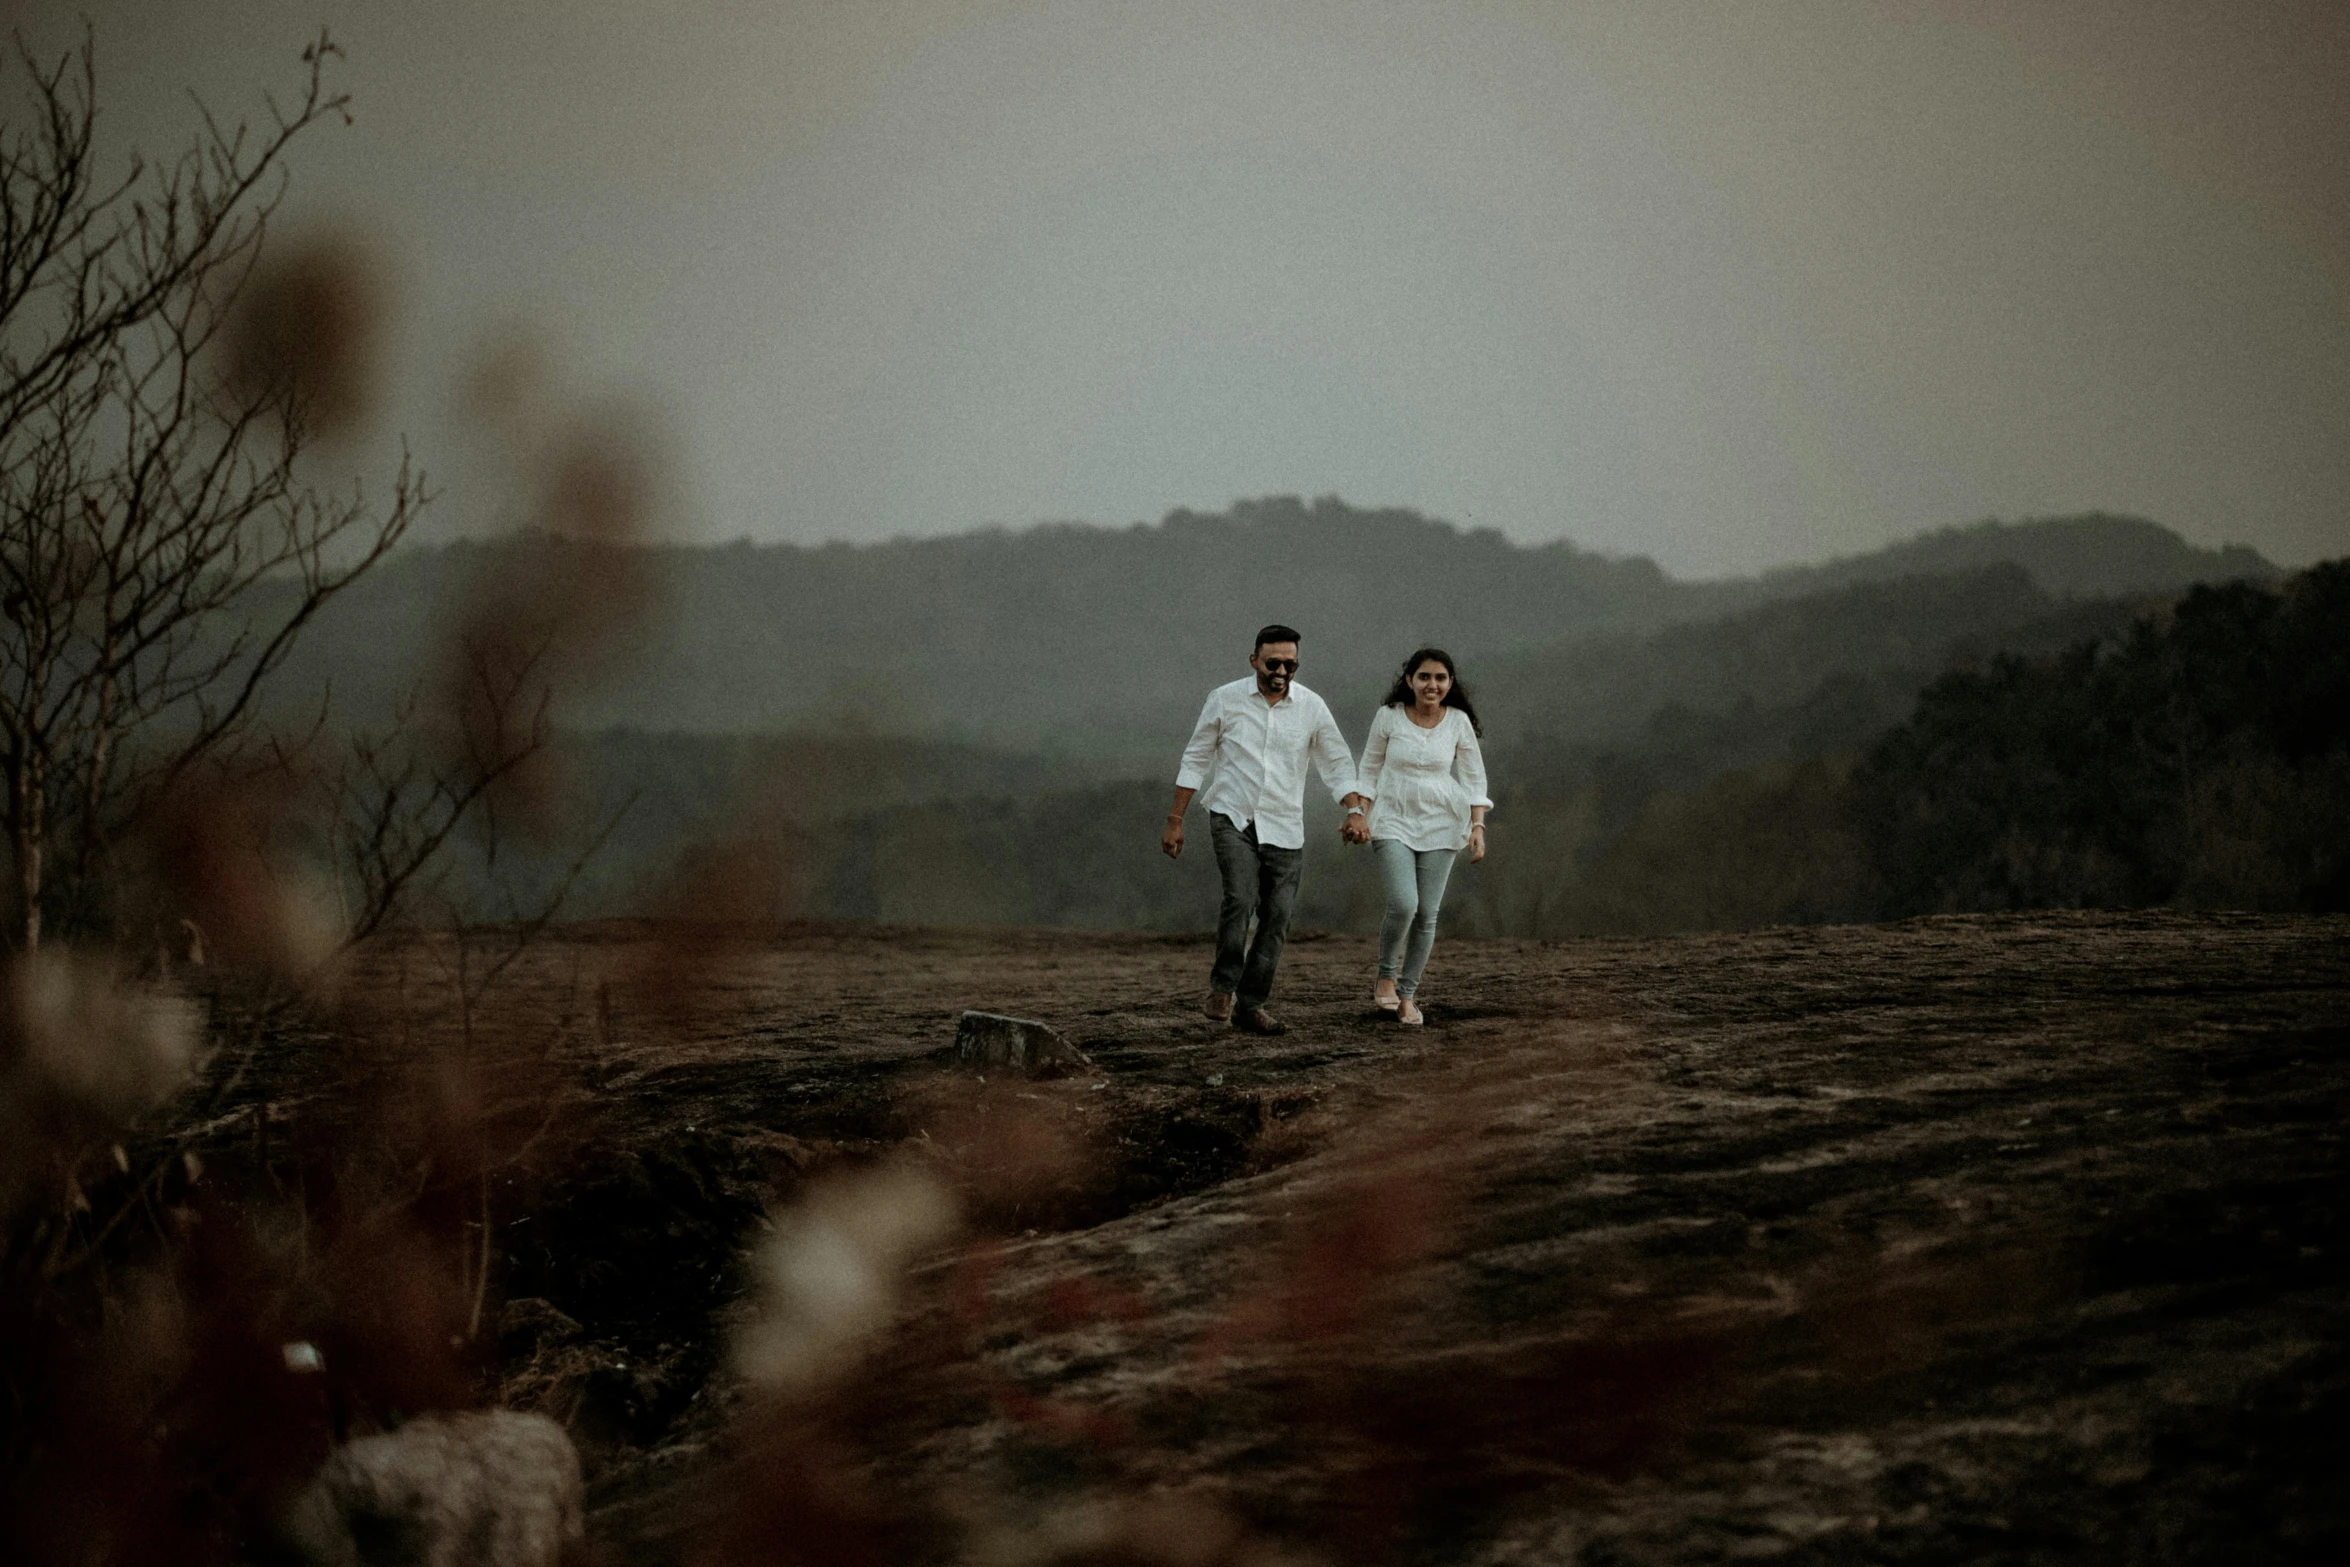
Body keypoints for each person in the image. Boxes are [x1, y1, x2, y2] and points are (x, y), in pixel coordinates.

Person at [1163, 625, 1369, 1034]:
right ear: (1254, 659)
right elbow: (1196, 757)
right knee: (1240, 898)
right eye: (1272, 662)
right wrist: (1175, 819)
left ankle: (1251, 1004)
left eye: (1289, 664)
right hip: (1232, 817)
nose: (1280, 671)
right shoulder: (1224, 699)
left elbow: (1337, 761)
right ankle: (1222, 988)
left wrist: (1355, 810)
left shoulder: (1311, 706)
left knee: (1277, 917)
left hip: (1285, 826)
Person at [1358, 647, 1490, 1026]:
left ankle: (1408, 995)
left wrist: (1477, 826)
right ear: (1409, 680)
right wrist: (1358, 813)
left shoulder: (1459, 722)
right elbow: (1369, 768)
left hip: (1442, 821)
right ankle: (1386, 975)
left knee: (1428, 913)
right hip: (1392, 816)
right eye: (1425, 677)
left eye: (1440, 678)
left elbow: (1473, 777)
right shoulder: (1389, 717)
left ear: (1450, 683)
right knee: (1404, 903)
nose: (1432, 685)